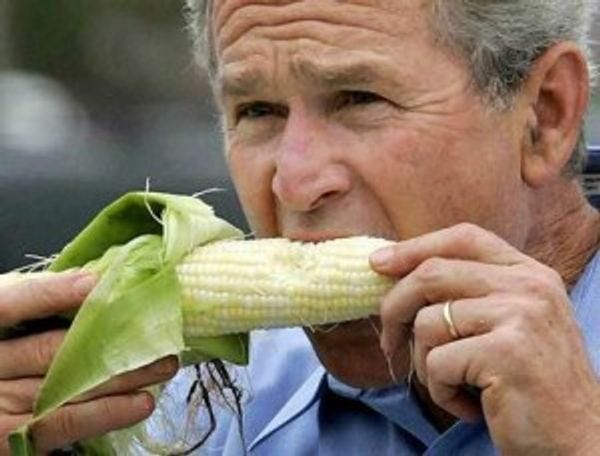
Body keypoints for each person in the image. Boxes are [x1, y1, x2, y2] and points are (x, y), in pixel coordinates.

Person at [2, 0, 600, 454]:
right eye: (257, 111)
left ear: (545, 115)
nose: (294, 183)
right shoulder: (182, 414)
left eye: (359, 99)